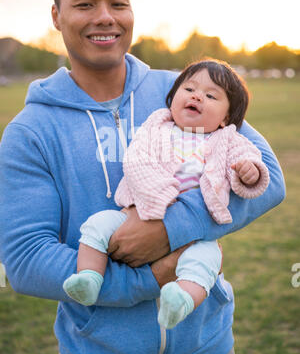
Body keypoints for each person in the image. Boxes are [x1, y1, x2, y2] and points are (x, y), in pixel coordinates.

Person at [0, 0, 285, 354]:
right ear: (56, 15)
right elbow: (26, 259)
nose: (105, 17)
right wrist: (146, 279)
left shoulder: (185, 91)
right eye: (84, 3)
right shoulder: (30, 131)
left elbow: (268, 178)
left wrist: (169, 230)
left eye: (118, 3)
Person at [63, 59, 270, 331]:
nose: (197, 96)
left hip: (196, 234)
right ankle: (89, 277)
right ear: (173, 99)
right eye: (189, 89)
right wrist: (158, 195)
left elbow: (251, 158)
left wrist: (249, 171)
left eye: (211, 96)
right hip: (137, 212)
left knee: (207, 260)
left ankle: (181, 301)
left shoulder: (228, 139)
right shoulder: (157, 128)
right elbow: (136, 160)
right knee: (98, 225)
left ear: (226, 119)